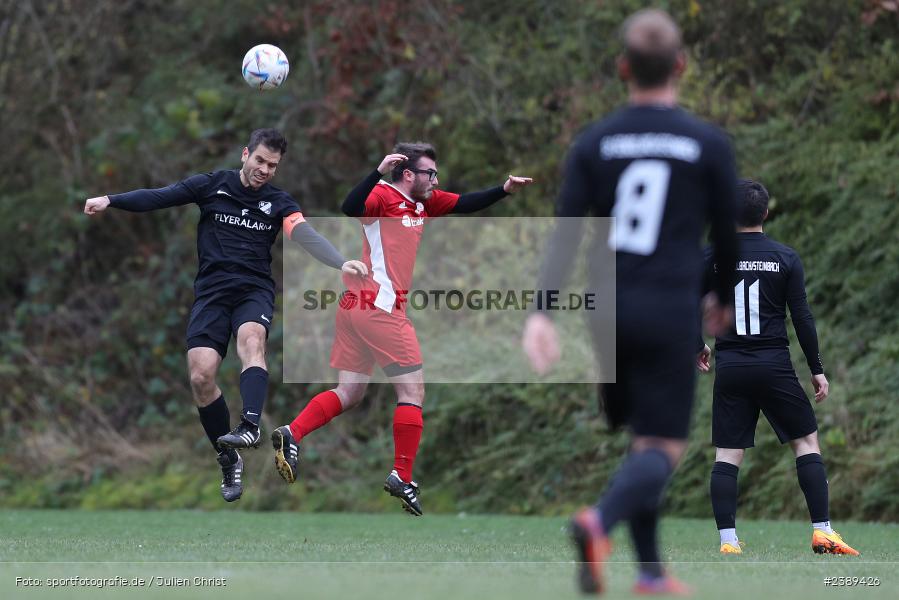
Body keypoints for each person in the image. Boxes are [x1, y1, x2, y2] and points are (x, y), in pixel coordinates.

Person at [522, 9, 738, 595]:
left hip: (606, 307)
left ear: (623, 68)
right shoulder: (706, 143)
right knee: (663, 446)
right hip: (667, 306)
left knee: (644, 439)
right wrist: (720, 299)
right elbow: (726, 235)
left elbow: (566, 234)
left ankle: (650, 574)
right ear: (681, 65)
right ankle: (599, 523)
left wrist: (541, 312)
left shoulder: (595, 142)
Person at [83, 128, 367, 503]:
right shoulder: (211, 185)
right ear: (245, 154)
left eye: (272, 166)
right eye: (260, 160)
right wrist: (110, 199)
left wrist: (340, 261)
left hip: (253, 291)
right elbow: (160, 196)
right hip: (212, 294)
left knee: (252, 341)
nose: (264, 170)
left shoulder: (279, 202)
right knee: (201, 376)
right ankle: (228, 457)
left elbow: (304, 233)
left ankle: (250, 424)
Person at [270, 143, 533, 516]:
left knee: (350, 392)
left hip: (356, 307)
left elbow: (464, 203)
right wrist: (377, 172)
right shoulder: (381, 196)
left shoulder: (424, 202)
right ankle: (402, 476)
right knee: (413, 392)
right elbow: (350, 206)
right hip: (380, 308)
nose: (436, 181)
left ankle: (292, 433)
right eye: (430, 174)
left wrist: (503, 190)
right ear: (408, 174)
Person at [697, 179, 859, 556]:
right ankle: (822, 531)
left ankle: (728, 542)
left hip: (731, 364)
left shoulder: (712, 256)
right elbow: (802, 316)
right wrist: (816, 367)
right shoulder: (785, 257)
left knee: (728, 453)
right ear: (766, 213)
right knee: (806, 442)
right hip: (773, 364)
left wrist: (695, 344)